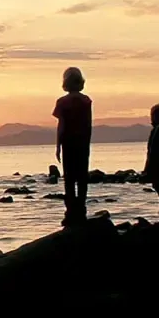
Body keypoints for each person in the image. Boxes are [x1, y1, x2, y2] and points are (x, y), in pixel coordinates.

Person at [52, 66, 92, 225]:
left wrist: (58, 146)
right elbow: (88, 125)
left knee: (69, 179)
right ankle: (81, 211)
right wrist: (87, 142)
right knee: (82, 178)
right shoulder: (86, 101)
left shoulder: (62, 102)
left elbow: (61, 126)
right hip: (82, 143)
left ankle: (70, 213)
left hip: (68, 144)